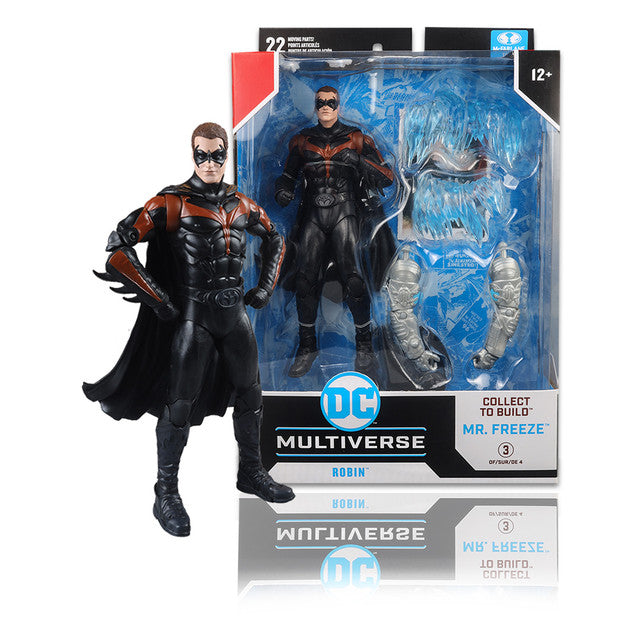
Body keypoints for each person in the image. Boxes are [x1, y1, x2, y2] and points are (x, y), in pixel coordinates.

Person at [83, 122, 294, 537]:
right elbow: (118, 247)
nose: (210, 163)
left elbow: (276, 239)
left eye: (217, 155)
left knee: (251, 396)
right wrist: (158, 298)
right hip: (194, 318)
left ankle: (251, 472)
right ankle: (165, 492)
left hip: (236, 317)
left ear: (226, 155)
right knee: (178, 406)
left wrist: (266, 287)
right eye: (202, 155)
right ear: (192, 155)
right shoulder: (171, 202)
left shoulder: (241, 203)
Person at [274, 86, 395, 378]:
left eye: (330, 102)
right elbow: (288, 176)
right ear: (315, 106)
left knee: (354, 278)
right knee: (305, 279)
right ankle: (307, 347)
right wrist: (283, 190)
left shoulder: (357, 139)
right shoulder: (302, 141)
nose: (325, 106)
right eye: (320, 102)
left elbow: (387, 177)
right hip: (313, 214)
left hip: (346, 212)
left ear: (338, 106)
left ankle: (364, 346)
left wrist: (359, 161)